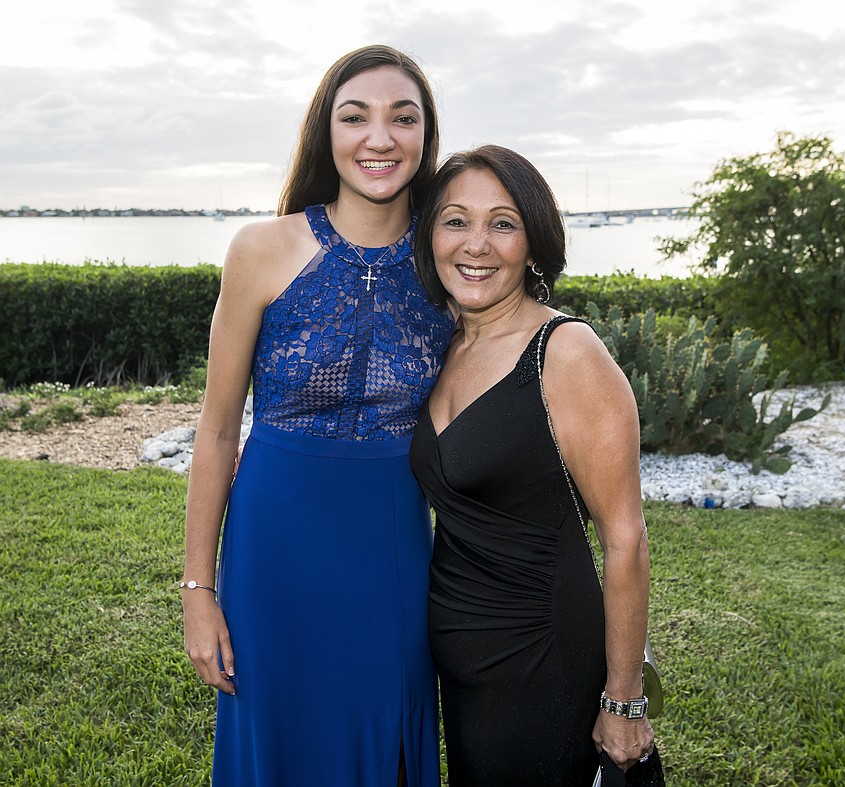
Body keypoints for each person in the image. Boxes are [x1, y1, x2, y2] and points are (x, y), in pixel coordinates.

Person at [181, 45, 455, 787]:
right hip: (274, 551)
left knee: (384, 724)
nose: (379, 137)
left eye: (404, 118)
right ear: (325, 133)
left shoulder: (447, 262)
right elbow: (214, 430)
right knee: (278, 733)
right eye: (355, 116)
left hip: (392, 549)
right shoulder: (261, 250)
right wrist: (199, 592)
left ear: (425, 137)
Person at [410, 146, 658, 785]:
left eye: (503, 222)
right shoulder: (449, 341)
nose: (477, 244)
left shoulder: (566, 353)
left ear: (533, 242)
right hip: (462, 667)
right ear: (430, 234)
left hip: (541, 660)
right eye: (456, 220)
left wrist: (624, 699)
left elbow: (624, 539)